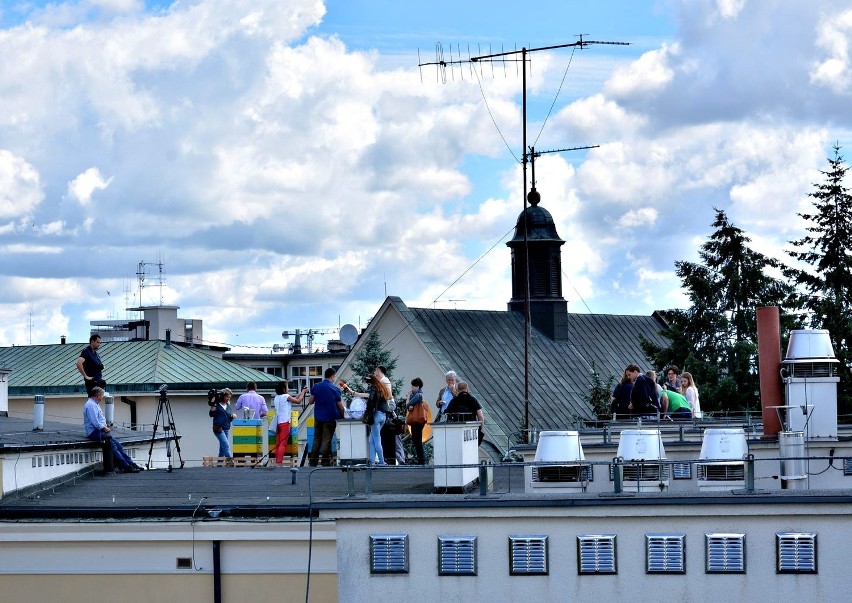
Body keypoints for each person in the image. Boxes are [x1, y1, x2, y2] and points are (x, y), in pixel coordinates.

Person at [83, 386, 140, 473]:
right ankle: (125, 466)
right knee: (113, 445)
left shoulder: (93, 404)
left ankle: (130, 464)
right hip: (95, 432)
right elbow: (95, 421)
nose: (102, 397)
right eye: (102, 396)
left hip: (99, 431)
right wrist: (104, 428)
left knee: (118, 445)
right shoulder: (90, 405)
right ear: (98, 395)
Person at [307, 368, 345, 467]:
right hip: (330, 418)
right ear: (332, 376)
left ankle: (313, 462)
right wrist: (344, 415)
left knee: (316, 439)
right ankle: (325, 461)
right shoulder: (335, 389)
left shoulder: (316, 386)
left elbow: (310, 401)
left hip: (318, 417)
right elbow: (340, 406)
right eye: (334, 376)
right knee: (326, 440)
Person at [272, 382, 308, 465]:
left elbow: (293, 399)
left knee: (278, 443)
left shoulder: (277, 397)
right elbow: (298, 401)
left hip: (278, 423)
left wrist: (302, 392)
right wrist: (303, 392)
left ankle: (277, 461)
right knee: (283, 443)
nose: (288, 389)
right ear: (284, 389)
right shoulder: (286, 396)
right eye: (287, 387)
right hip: (285, 422)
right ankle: (279, 462)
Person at [375, 366, 405, 464]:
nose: (375, 372)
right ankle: (394, 459)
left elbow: (384, 397)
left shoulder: (383, 381)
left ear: (379, 371)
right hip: (389, 412)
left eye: (376, 370)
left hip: (388, 412)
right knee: (392, 438)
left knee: (389, 437)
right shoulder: (384, 381)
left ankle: (392, 459)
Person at [443, 381, 485, 446]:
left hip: (456, 431)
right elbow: (480, 416)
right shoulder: (472, 400)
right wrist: (481, 429)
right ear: (467, 389)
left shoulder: (454, 401)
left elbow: (446, 413)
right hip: (471, 431)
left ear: (457, 390)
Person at [209, 388, 237, 458]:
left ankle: (219, 465)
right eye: (227, 397)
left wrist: (232, 417)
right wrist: (213, 404)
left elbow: (228, 418)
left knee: (222, 448)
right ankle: (230, 461)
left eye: (229, 397)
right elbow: (211, 414)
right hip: (218, 428)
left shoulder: (228, 406)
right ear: (223, 396)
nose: (228, 399)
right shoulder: (217, 405)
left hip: (226, 428)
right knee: (225, 444)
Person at [407, 377, 427, 465]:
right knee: (417, 440)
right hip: (418, 420)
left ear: (417, 387)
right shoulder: (418, 395)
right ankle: (421, 460)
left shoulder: (417, 395)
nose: (411, 388)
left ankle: (421, 461)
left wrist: (408, 397)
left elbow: (408, 404)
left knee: (417, 440)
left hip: (417, 421)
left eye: (413, 386)